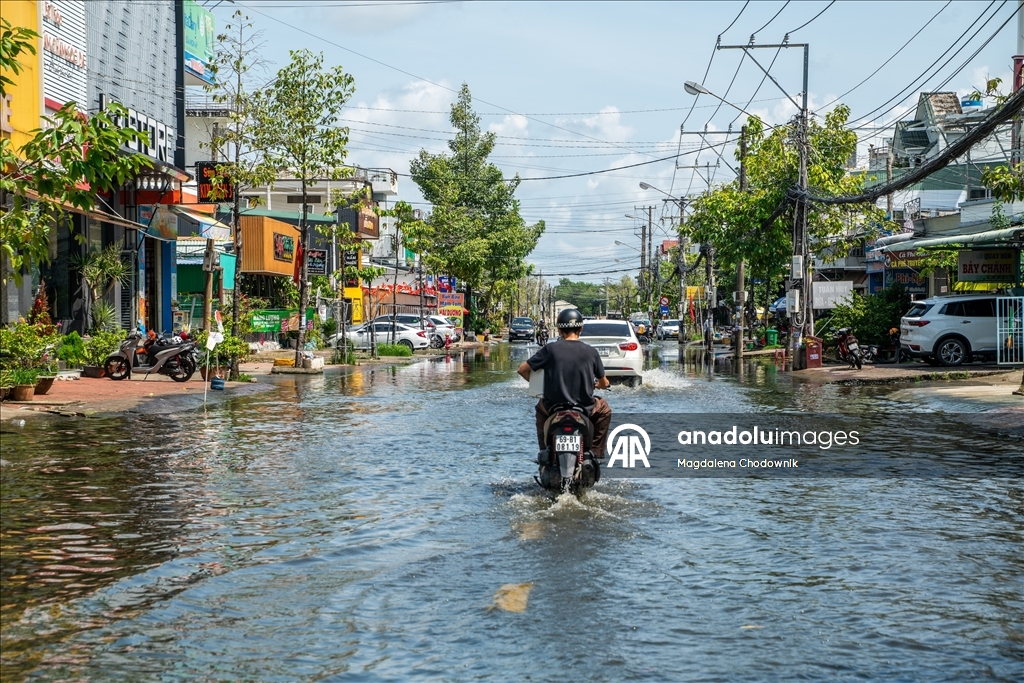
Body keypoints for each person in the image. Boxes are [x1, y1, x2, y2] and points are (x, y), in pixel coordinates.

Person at [517, 308, 612, 458]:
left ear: (559, 330)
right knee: (604, 409)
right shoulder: (591, 352)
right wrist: (599, 385)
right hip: (584, 408)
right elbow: (604, 382)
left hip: (552, 407)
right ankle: (595, 453)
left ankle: (544, 453)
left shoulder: (550, 349)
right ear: (581, 328)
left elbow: (522, 369)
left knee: (540, 409)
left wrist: (541, 386)